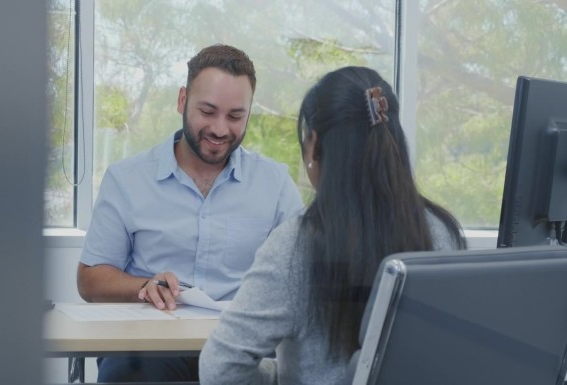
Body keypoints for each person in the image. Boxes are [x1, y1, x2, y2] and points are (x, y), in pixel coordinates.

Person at [198, 66, 467, 385]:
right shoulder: (443, 233)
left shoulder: (295, 247)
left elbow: (219, 368)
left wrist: (277, 378)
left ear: (313, 145)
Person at [77, 44, 304, 383]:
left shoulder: (274, 183)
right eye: (208, 111)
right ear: (182, 100)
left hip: (243, 350)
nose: (220, 129)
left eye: (235, 116)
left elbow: (305, 273)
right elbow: (91, 278)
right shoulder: (127, 179)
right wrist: (145, 285)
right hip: (148, 350)